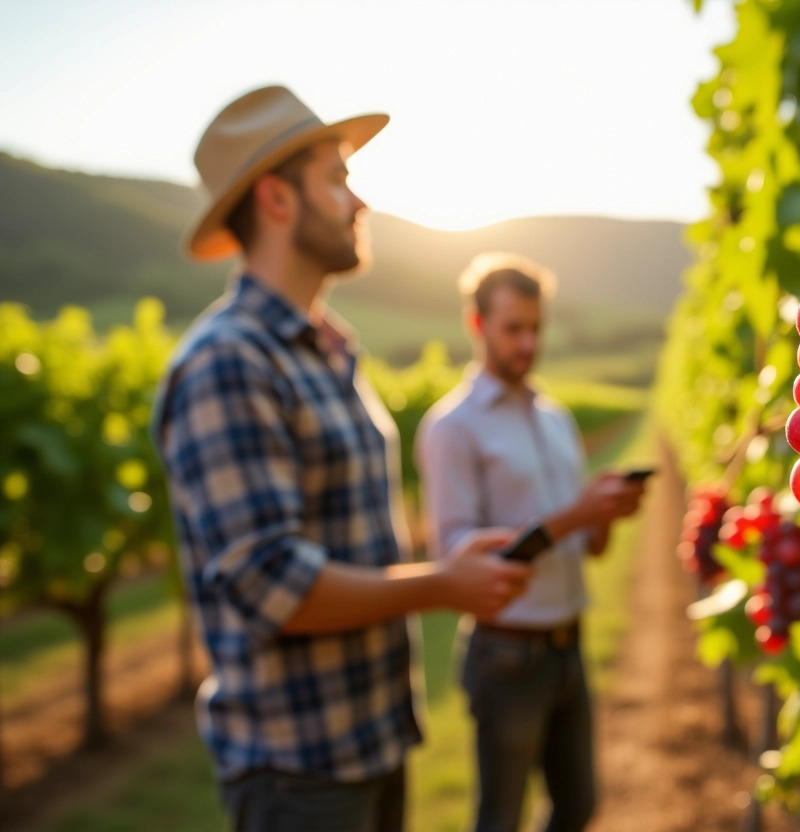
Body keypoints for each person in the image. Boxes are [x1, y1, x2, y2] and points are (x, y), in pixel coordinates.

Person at [151, 85, 533, 832]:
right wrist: (442, 585)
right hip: (299, 771)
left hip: (368, 739)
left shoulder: (329, 350)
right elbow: (273, 584)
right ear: (277, 199)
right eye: (336, 177)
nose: (358, 202)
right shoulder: (227, 363)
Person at [415, 253, 648, 832]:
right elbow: (457, 559)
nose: (527, 343)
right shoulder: (452, 428)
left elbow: (585, 549)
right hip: (506, 656)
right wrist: (577, 514)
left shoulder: (554, 418)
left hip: (569, 640)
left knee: (578, 806)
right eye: (512, 328)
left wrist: (602, 516)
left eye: (535, 328)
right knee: (500, 819)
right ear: (477, 325)